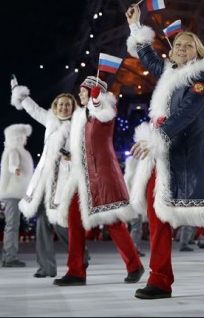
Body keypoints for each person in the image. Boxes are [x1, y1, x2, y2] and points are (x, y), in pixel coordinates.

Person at [125, 5, 204, 299]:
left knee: (201, 219)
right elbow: (149, 58)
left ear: (198, 52)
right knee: (159, 220)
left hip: (191, 159)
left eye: (188, 45)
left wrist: (156, 137)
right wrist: (135, 26)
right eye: (178, 45)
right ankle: (159, 281)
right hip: (164, 157)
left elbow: (185, 114)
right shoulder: (171, 73)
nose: (181, 48)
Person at [53, 75, 144, 286]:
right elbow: (85, 147)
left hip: (102, 175)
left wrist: (96, 100)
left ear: (95, 94)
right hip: (81, 177)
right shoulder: (80, 116)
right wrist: (72, 154)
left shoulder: (104, 113)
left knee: (113, 223)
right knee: (75, 220)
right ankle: (75, 271)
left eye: (84, 91)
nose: (80, 94)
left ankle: (134, 265)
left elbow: (104, 114)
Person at [10, 81, 90, 278]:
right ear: (55, 107)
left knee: (60, 223)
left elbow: (84, 150)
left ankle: (81, 255)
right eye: (60, 104)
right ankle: (46, 266)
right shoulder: (50, 120)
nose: (63, 107)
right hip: (44, 180)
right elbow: (34, 109)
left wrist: (71, 155)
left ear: (73, 108)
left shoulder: (78, 125)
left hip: (64, 181)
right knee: (42, 221)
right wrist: (19, 94)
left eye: (67, 105)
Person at [0, 123, 34, 267]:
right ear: (18, 137)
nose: (26, 139)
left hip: (17, 193)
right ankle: (10, 257)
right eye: (24, 136)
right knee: (12, 224)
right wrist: (15, 169)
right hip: (13, 193)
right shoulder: (13, 151)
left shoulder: (17, 150)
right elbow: (12, 164)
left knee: (13, 224)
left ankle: (8, 256)